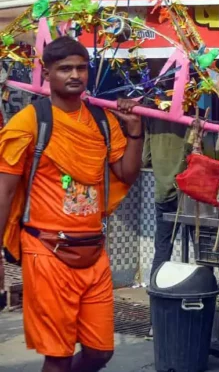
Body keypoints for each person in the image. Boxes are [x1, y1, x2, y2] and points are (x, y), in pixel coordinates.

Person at [0, 37, 143, 372]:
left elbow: (126, 173)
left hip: (93, 251)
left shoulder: (102, 121)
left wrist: (136, 132)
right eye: (65, 68)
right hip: (46, 251)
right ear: (46, 73)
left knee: (100, 352)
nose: (75, 74)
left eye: (81, 67)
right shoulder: (28, 122)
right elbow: (4, 192)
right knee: (58, 357)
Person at [143, 118, 190, 282]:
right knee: (201, 247)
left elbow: (144, 158)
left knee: (163, 247)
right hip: (188, 193)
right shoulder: (190, 119)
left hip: (163, 192)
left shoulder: (153, 120)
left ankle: (156, 288)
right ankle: (202, 291)